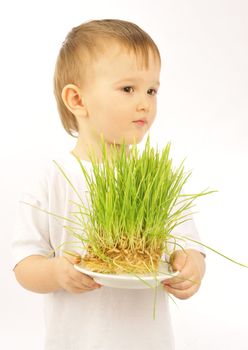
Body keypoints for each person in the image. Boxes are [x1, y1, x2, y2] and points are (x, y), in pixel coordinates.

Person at [12, 19, 206, 350]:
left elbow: (189, 248)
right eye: (128, 89)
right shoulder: (54, 177)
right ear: (77, 100)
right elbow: (24, 265)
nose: (145, 102)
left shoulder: (156, 180)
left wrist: (192, 268)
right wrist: (57, 273)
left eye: (152, 90)